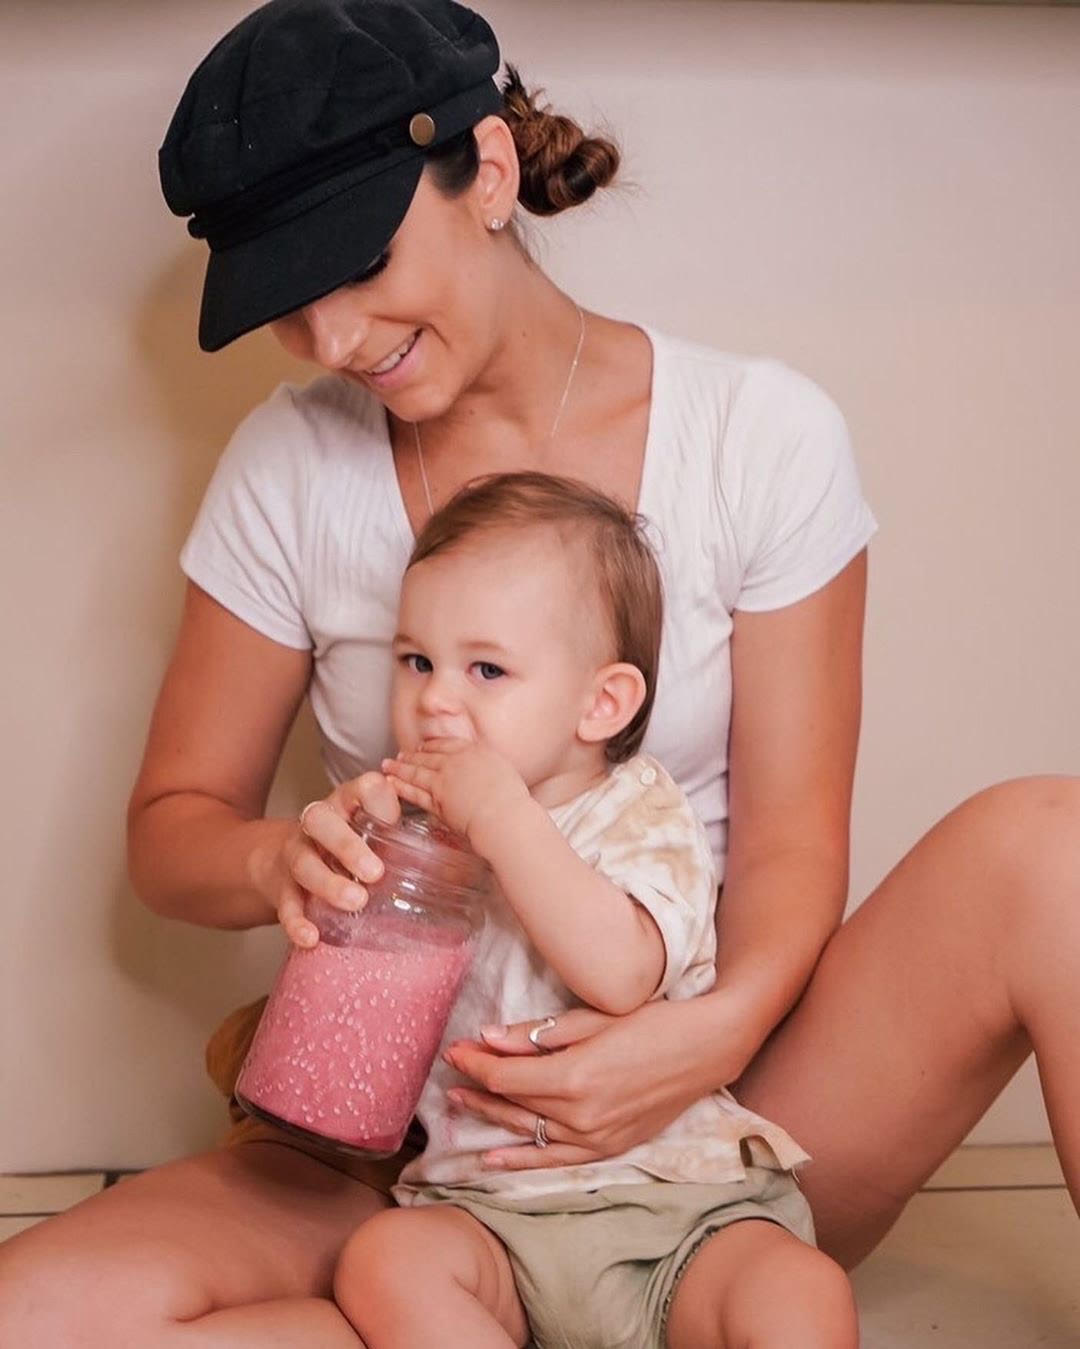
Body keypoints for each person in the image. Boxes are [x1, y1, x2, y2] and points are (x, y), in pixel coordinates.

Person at [0, 0, 1077, 1343]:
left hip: (717, 1133)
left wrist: (708, 1037)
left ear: (490, 174)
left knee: (1059, 847)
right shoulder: (291, 467)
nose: (335, 341)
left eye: (362, 263)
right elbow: (172, 836)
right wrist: (278, 860)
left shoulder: (757, 435)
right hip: (420, 1154)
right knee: (32, 1311)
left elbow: (795, 847)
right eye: (289, 302)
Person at [324, 469, 857, 1348]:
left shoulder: (636, 809)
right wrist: (344, 886)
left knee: (800, 1293)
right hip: (485, 1211)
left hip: (677, 1214)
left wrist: (502, 819)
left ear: (600, 703)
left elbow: (620, 971)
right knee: (382, 1260)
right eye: (417, 659)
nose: (435, 699)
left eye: (485, 668)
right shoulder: (408, 825)